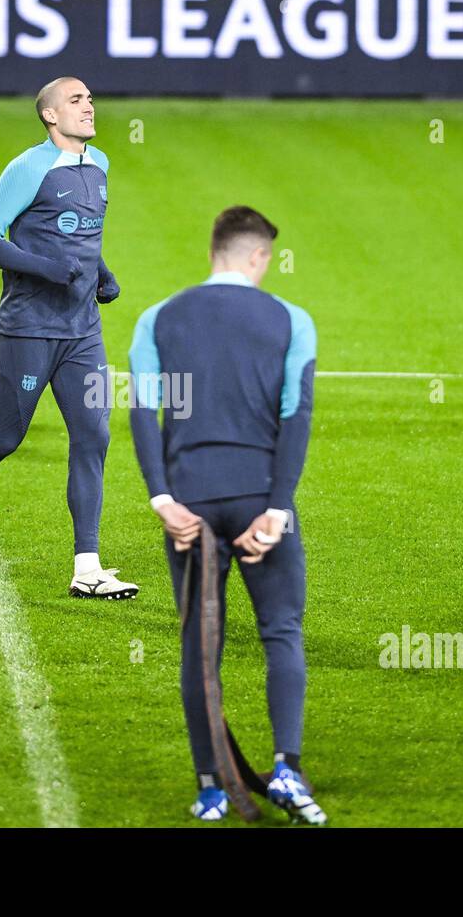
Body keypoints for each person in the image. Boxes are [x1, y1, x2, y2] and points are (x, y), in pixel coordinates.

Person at [128, 206, 326, 824]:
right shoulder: (292, 320)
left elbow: (143, 411)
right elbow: (297, 419)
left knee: (199, 646)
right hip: (258, 495)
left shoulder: (157, 318)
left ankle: (212, 788)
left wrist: (161, 496)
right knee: (281, 632)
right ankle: (287, 771)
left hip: (188, 499)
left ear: (213, 250)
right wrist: (275, 508)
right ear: (259, 256)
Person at [0, 77, 138, 600]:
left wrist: (101, 272)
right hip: (28, 328)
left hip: (83, 331)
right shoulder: (28, 168)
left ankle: (87, 566)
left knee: (94, 436)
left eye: (89, 98)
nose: (89, 106)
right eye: (76, 100)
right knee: (5, 438)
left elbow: (77, 238)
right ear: (50, 116)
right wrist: (44, 269)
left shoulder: (100, 164)